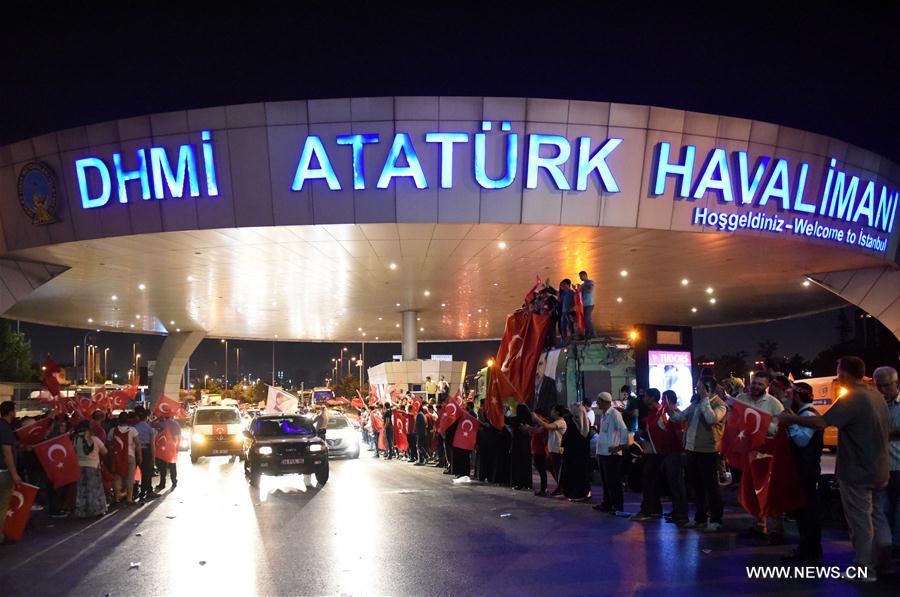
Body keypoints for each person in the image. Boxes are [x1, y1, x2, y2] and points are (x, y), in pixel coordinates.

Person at [778, 356, 892, 581]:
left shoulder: (854, 397)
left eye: (838, 372)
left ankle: (864, 569)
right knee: (878, 518)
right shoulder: (875, 395)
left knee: (860, 522)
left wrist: (791, 419)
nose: (838, 378)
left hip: (858, 472)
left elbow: (822, 422)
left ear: (845, 374)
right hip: (880, 469)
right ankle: (884, 564)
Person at [734, 370, 785, 544]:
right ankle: (759, 525)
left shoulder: (774, 404)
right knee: (752, 490)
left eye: (760, 384)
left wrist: (760, 423)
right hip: (748, 451)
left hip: (767, 453)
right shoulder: (741, 399)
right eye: (754, 383)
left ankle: (777, 530)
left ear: (767, 386)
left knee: (769, 492)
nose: (756, 386)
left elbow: (779, 429)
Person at [670, 379, 727, 531]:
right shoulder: (696, 403)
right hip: (692, 449)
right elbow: (679, 417)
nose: (697, 389)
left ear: (709, 389)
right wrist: (669, 409)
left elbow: (711, 419)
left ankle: (716, 519)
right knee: (697, 486)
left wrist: (706, 400)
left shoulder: (720, 405)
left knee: (711, 486)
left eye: (700, 387)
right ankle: (700, 518)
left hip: (708, 451)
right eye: (697, 387)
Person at [781, 382, 824, 563]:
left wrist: (790, 422)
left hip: (806, 471)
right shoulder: (804, 414)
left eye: (790, 396)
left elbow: (801, 440)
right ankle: (807, 548)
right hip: (804, 470)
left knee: (807, 512)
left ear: (797, 397)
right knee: (804, 511)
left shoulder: (807, 415)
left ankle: (810, 551)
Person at [873, 366, 900, 551]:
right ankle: (887, 550)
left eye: (887, 386)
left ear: (897, 383)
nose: (882, 390)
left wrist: (881, 433)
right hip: (882, 467)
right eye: (879, 386)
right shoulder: (876, 405)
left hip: (899, 466)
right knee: (883, 511)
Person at [592, 392, 630, 514]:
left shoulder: (615, 414)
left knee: (613, 482)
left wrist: (620, 447)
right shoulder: (604, 414)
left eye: (598, 401)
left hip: (611, 455)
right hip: (602, 453)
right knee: (605, 480)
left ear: (604, 401)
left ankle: (617, 506)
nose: (597, 403)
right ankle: (607, 503)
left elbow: (623, 429)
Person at [632, 389, 664, 521]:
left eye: (645, 396)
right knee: (652, 481)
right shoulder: (653, 412)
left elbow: (658, 432)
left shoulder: (658, 412)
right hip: (651, 450)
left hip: (655, 451)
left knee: (648, 480)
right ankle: (655, 509)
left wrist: (642, 434)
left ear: (652, 398)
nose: (643, 398)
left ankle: (646, 510)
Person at [658, 390, 688, 526]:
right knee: (674, 484)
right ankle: (677, 511)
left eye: (663, 400)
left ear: (668, 400)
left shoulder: (677, 415)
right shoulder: (673, 415)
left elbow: (680, 435)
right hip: (671, 452)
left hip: (675, 453)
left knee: (677, 484)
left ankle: (681, 513)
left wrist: (682, 451)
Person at [72, 420, 108, 518]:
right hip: (93, 466)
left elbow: (73, 452)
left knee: (81, 490)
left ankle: (82, 511)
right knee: (95, 490)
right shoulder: (95, 439)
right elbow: (105, 451)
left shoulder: (75, 440)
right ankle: (97, 510)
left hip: (80, 467)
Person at [533, 404, 567, 496]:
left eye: (553, 409)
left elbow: (547, 426)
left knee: (558, 471)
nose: (551, 411)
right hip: (552, 450)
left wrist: (536, 418)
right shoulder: (555, 421)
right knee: (554, 471)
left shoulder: (561, 422)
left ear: (557, 412)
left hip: (558, 450)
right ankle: (561, 488)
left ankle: (562, 488)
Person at [0, 401, 21, 544]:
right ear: (11, 412)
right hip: (3, 472)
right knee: (2, 505)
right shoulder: (5, 428)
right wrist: (14, 474)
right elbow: (7, 453)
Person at [111, 412, 140, 505]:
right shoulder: (132, 430)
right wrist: (139, 455)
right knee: (130, 477)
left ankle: (116, 499)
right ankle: (129, 499)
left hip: (116, 457)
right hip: (130, 456)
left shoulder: (112, 430)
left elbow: (108, 443)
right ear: (128, 420)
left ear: (118, 420)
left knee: (117, 477)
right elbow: (138, 444)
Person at [133, 408, 158, 501]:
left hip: (135, 451)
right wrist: (153, 458)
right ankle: (143, 493)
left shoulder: (134, 428)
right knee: (146, 473)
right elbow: (152, 445)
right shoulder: (150, 429)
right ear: (146, 417)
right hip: (146, 451)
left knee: (133, 472)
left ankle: (134, 492)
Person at [154, 413, 181, 491]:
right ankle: (174, 481)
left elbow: (151, 425)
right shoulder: (175, 424)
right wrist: (176, 447)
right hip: (172, 447)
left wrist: (157, 419)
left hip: (162, 447)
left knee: (163, 467)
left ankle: (162, 483)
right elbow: (177, 436)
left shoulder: (161, 424)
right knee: (172, 464)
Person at [510, 404, 533, 490]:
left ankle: (519, 483)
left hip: (518, 444)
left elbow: (507, 420)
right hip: (526, 444)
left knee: (518, 463)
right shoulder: (528, 419)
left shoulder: (517, 419)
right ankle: (528, 483)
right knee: (526, 463)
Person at [578, 271, 595, 339]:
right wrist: (576, 289)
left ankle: (593, 334)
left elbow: (589, 290)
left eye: (581, 276)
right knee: (585, 320)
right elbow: (580, 294)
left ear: (585, 275)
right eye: (579, 276)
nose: (580, 277)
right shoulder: (582, 285)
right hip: (583, 305)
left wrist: (582, 288)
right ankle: (587, 336)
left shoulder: (590, 282)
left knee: (587, 319)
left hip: (589, 304)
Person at [557, 279, 575, 345]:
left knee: (570, 326)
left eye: (565, 284)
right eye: (563, 284)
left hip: (569, 312)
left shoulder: (572, 292)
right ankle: (564, 341)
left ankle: (572, 339)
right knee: (563, 327)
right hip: (563, 312)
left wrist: (573, 309)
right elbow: (559, 300)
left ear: (568, 285)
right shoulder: (563, 293)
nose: (564, 285)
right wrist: (560, 289)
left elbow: (576, 301)